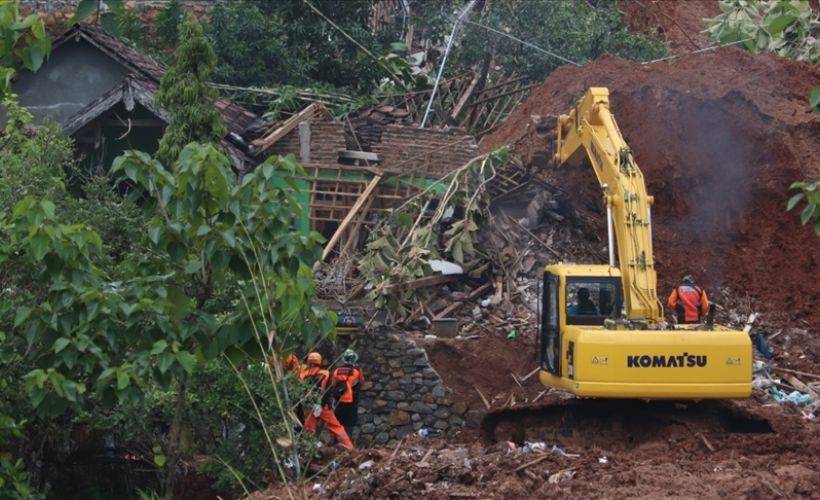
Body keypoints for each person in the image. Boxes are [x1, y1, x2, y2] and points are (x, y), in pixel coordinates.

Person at [299, 352, 354, 450]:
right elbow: (328, 391)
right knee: (336, 427)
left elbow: (301, 392)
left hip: (308, 407)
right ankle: (349, 447)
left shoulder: (302, 375)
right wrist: (322, 404)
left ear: (308, 361)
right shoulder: (326, 373)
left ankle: (310, 451)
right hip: (323, 407)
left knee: (309, 431)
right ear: (319, 361)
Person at [331, 349, 364, 439]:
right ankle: (347, 443)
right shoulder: (357, 371)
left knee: (338, 424)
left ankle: (336, 443)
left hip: (339, 401)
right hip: (351, 401)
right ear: (354, 359)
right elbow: (361, 382)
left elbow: (333, 385)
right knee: (349, 424)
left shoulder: (337, 371)